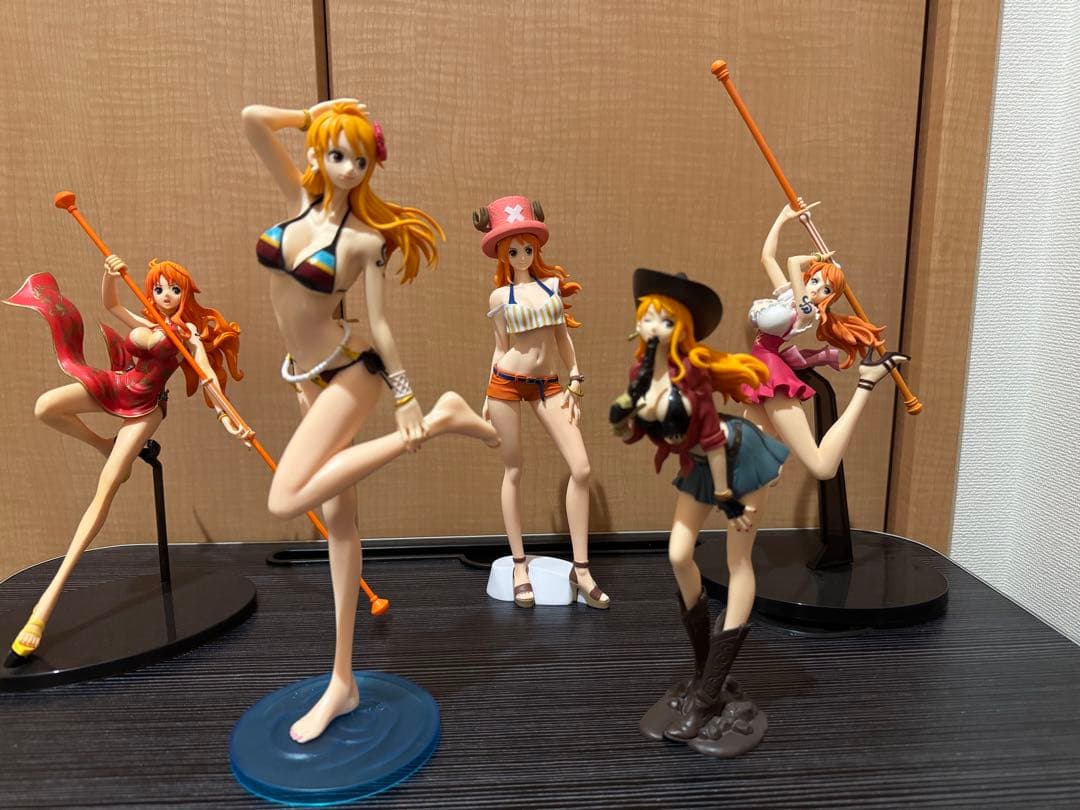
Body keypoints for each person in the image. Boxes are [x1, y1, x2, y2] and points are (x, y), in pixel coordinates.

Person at [243, 99, 499, 743]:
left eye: (360, 161)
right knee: (339, 523)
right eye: (338, 155)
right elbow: (250, 119)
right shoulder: (296, 199)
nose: (350, 170)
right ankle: (342, 681)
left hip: (352, 373)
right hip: (305, 376)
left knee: (286, 498)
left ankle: (438, 419)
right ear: (317, 153)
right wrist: (310, 113)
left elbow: (380, 326)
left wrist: (406, 398)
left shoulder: (364, 241)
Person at [4, 256, 241, 665]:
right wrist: (108, 274)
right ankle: (103, 445)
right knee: (46, 407)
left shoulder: (187, 334)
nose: (165, 295)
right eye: (159, 289)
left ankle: (44, 607)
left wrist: (226, 415)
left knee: (106, 488)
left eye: (174, 289)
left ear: (186, 293)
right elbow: (111, 304)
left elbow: (206, 375)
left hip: (147, 407)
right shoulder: (146, 322)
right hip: (119, 385)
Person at [611, 267, 785, 757]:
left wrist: (727, 496)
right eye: (648, 317)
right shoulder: (642, 375)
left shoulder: (692, 379)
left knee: (737, 561)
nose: (653, 327)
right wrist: (626, 416)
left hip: (736, 459)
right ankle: (708, 670)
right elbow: (636, 432)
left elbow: (711, 440)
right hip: (698, 466)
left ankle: (708, 696)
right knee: (678, 554)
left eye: (665, 321)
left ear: (682, 330)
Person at [474, 195, 608, 609]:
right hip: (506, 384)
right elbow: (500, 347)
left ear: (536, 249)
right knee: (514, 469)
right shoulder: (501, 297)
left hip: (549, 384)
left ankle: (581, 570)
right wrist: (486, 393)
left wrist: (575, 377)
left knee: (581, 468)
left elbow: (562, 338)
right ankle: (519, 566)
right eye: (512, 251)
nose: (521, 256)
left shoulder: (551, 287)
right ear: (502, 254)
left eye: (527, 248)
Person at [742, 203, 909, 479]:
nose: (816, 288)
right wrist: (782, 217)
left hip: (772, 376)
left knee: (822, 467)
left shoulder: (806, 311)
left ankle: (867, 381)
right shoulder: (788, 297)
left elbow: (792, 262)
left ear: (828, 298)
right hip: (759, 369)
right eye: (816, 281)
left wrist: (817, 258)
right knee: (750, 462)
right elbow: (767, 258)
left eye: (826, 288)